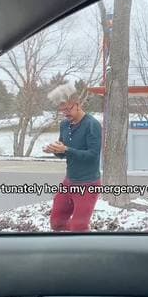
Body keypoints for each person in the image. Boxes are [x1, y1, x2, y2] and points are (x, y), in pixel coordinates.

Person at [43, 84, 102, 232]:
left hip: (88, 184)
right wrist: (55, 150)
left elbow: (93, 155)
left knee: (78, 227)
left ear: (77, 104)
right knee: (57, 222)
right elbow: (64, 152)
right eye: (61, 110)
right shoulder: (65, 125)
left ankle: (84, 247)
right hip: (69, 181)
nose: (65, 113)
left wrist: (67, 149)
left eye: (67, 109)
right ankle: (67, 246)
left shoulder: (92, 125)